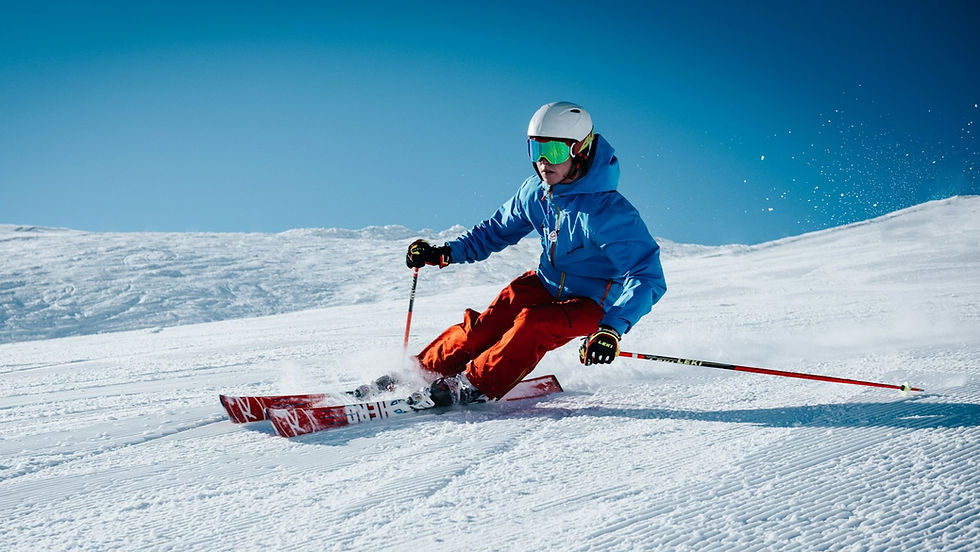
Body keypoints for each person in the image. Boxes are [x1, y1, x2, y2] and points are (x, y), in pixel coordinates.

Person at [401, 101, 667, 409]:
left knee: (534, 323)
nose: (542, 162)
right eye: (535, 150)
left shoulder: (609, 213)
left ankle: (474, 384)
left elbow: (646, 276)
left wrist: (612, 329)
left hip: (594, 302)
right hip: (545, 282)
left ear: (579, 150)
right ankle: (421, 370)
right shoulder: (536, 192)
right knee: (488, 323)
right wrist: (445, 252)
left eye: (553, 151)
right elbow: (495, 231)